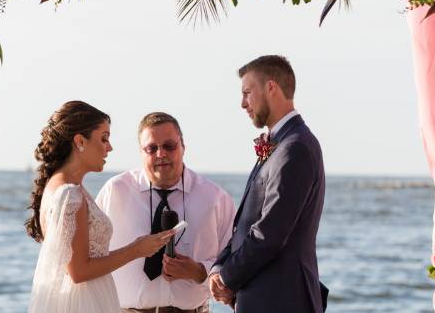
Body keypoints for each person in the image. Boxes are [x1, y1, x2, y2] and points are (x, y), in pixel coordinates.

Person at [25, 101, 174, 313]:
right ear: (80, 141)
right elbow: (78, 271)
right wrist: (136, 250)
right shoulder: (70, 195)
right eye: (104, 138)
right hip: (84, 304)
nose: (110, 147)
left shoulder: (64, 187)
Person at [210, 55, 329, 312]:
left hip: (282, 300)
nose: (243, 103)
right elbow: (246, 224)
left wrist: (228, 277)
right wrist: (218, 268)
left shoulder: (295, 147)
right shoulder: (280, 144)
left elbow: (270, 233)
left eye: (247, 92)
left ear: (271, 88)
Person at [96, 112, 235, 313]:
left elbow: (234, 262)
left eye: (169, 146)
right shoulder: (115, 191)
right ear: (141, 152)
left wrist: (199, 271)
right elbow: (90, 258)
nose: (161, 154)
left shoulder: (215, 198)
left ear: (183, 146)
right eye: (152, 148)